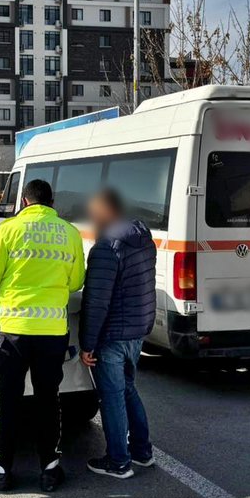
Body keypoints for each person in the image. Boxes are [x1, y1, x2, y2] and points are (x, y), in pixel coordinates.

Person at [0, 178, 85, 493]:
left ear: (24, 201)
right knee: (48, 400)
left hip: (13, 333)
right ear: (51, 203)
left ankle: (2, 470)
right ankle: (50, 471)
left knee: (8, 401)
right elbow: (76, 281)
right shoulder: (70, 233)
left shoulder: (8, 231)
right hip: (52, 333)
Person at [79, 188, 156, 479]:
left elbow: (97, 300)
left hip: (112, 334)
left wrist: (87, 343)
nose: (92, 216)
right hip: (137, 330)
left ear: (105, 210)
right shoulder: (143, 238)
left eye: (95, 210)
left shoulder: (106, 247)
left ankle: (119, 462)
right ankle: (142, 452)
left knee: (112, 397)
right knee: (128, 389)